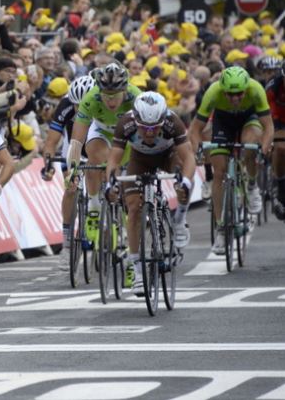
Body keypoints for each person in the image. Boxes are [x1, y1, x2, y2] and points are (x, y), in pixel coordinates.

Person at [105, 92, 196, 295]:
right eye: (144, 127)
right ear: (136, 120)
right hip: (140, 160)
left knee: (184, 178)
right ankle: (138, 272)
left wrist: (185, 182)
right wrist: (111, 184)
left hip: (168, 156)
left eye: (155, 127)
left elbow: (189, 157)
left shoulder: (173, 122)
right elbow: (114, 160)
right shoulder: (125, 123)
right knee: (134, 208)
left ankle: (180, 220)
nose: (149, 132)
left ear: (163, 120)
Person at [189, 66, 272, 254]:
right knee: (219, 173)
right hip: (223, 121)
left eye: (239, 94)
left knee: (250, 144)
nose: (235, 98)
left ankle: (252, 185)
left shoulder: (256, 89)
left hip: (249, 118)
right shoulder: (213, 92)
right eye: (230, 94)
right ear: (222, 90)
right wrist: (198, 150)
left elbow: (268, 126)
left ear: (246, 89)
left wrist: (264, 148)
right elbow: (195, 129)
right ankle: (221, 228)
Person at [67, 62, 141, 246]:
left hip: (128, 133)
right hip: (101, 131)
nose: (111, 101)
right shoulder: (90, 99)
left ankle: (124, 214)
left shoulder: (136, 97)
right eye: (106, 96)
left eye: (115, 96)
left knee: (126, 171)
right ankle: (93, 207)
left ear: (125, 90)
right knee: (94, 158)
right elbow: (76, 142)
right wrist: (72, 171)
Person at [41, 74, 94, 270]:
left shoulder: (103, 103)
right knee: (71, 188)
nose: (79, 109)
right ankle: (67, 243)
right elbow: (51, 141)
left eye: (83, 105)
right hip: (73, 148)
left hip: (97, 146)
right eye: (76, 105)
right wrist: (48, 164)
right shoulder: (65, 105)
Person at [265, 60, 285, 219]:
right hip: (277, 120)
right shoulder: (272, 88)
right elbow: (270, 115)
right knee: (280, 148)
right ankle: (280, 185)